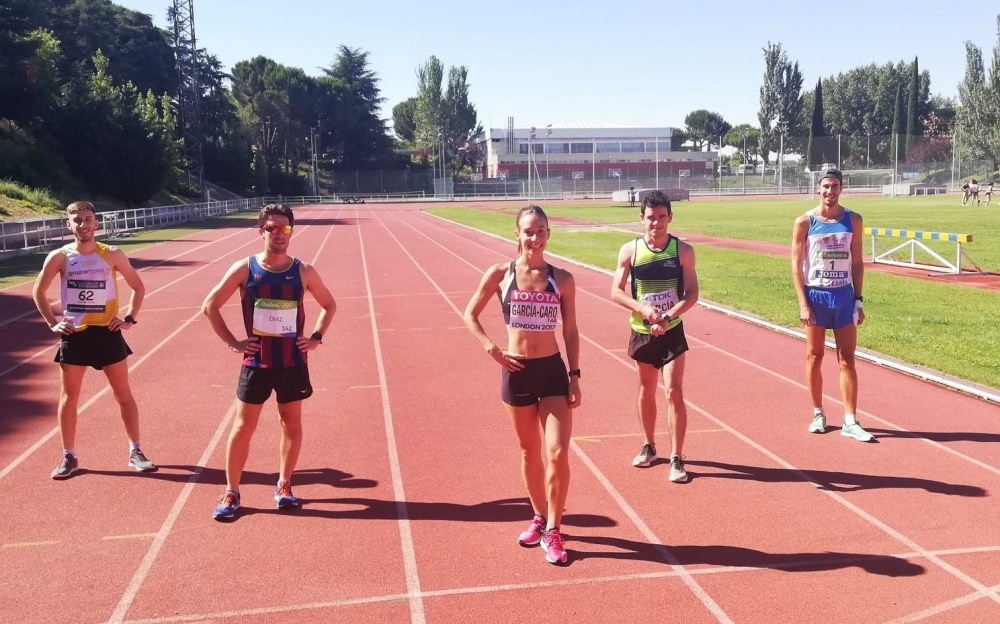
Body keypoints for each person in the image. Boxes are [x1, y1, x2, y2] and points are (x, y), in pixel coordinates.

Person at [202, 204, 336, 521]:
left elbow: (329, 305)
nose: (279, 234)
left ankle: (284, 485)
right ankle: (231, 490)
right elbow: (210, 306)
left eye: (284, 228)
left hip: (292, 362)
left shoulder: (304, 271)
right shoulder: (244, 269)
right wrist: (233, 342)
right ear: (261, 230)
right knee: (243, 426)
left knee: (290, 424)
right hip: (256, 363)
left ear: (291, 231)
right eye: (272, 228)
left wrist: (316, 337)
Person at [463, 205, 581, 565]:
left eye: (541, 231)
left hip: (552, 372)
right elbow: (470, 313)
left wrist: (575, 375)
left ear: (549, 234)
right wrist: (491, 348)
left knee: (558, 452)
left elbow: (571, 331)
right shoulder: (500, 274)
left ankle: (554, 530)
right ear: (517, 234)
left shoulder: (562, 279)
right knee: (530, 452)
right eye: (529, 231)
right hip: (516, 371)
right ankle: (538, 516)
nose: (535, 238)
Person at [32, 200, 155, 479]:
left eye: (88, 219)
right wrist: (53, 323)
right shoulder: (60, 257)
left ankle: (136, 451)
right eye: (77, 220)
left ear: (96, 223)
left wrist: (129, 318)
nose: (83, 225)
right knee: (69, 398)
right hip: (75, 335)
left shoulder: (112, 254)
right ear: (69, 225)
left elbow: (138, 286)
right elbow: (38, 292)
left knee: (123, 394)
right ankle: (69, 456)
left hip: (108, 334)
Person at [611, 190, 699, 484]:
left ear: (670, 218)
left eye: (662, 217)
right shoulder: (630, 251)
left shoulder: (683, 251)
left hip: (672, 331)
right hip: (642, 332)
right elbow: (615, 290)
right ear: (641, 218)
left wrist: (669, 315)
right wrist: (643, 310)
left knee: (673, 391)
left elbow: (692, 293)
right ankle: (649, 445)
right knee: (646, 391)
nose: (656, 223)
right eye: (651, 217)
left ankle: (677, 456)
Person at [791, 168, 873, 443]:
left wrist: (858, 300)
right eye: (826, 186)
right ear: (818, 189)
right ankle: (818, 413)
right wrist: (803, 303)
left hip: (843, 296)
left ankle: (850, 419)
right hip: (816, 296)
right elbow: (795, 266)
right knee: (814, 356)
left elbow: (858, 262)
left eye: (835, 186)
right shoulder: (805, 222)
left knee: (847, 358)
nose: (830, 191)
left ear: (841, 189)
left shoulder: (854, 220)